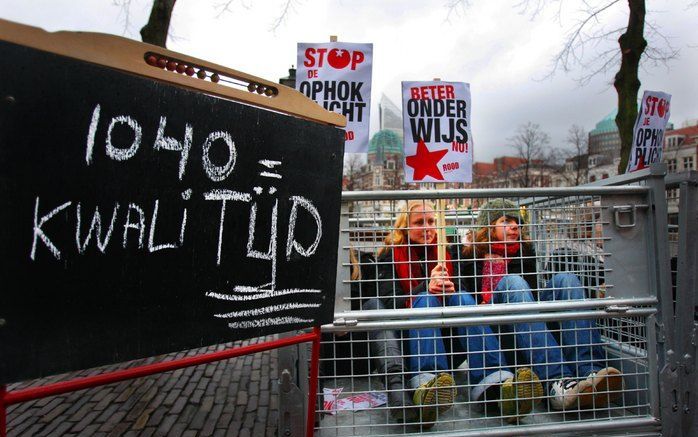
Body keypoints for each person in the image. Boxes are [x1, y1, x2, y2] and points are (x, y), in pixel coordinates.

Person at [456, 199, 623, 416]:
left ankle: (590, 372)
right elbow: (465, 301)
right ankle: (557, 381)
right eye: (506, 221)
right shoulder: (468, 255)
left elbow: (530, 299)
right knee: (513, 282)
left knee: (566, 278)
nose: (515, 226)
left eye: (517, 222)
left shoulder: (525, 251)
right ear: (488, 226)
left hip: (527, 327)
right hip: (496, 332)